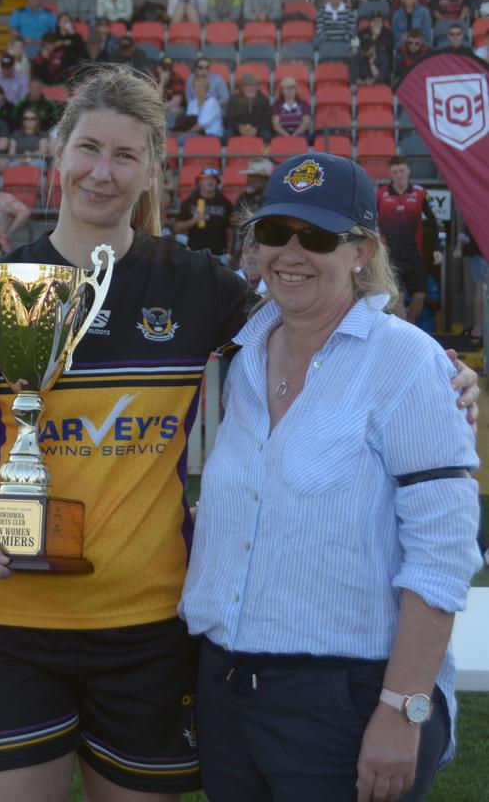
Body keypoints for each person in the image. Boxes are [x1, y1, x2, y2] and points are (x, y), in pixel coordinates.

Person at [0, 67, 255, 801]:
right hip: (6, 622)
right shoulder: (0, 288)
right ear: (57, 151)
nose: (102, 173)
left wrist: (434, 370)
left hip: (150, 624)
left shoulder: (195, 285)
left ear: (154, 169)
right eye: (88, 148)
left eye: (126, 156)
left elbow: (318, 336)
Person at [180, 152, 482, 802]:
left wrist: (405, 709)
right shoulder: (246, 352)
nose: (291, 251)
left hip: (347, 693)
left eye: (316, 236)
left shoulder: (410, 364)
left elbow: (445, 555)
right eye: (273, 231)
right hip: (227, 689)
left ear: (361, 250)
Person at [377, 155, 443, 324]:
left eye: (402, 170)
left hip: (414, 253)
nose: (399, 174)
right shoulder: (380, 194)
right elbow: (369, 223)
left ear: (408, 171)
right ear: (390, 173)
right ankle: (404, 340)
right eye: (395, 171)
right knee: (397, 297)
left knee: (420, 296)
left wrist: (438, 247)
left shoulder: (421, 193)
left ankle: (408, 331)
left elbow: (438, 222)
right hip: (389, 254)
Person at [174, 166, 234, 260]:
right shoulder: (189, 202)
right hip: (195, 253)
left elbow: (229, 231)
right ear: (199, 182)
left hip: (219, 254)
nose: (210, 181)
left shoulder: (225, 203)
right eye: (207, 178)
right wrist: (193, 220)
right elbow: (177, 228)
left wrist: (229, 254)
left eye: (214, 179)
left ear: (217, 183)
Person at [452, 224, 487, 345]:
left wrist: (458, 247)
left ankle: (478, 328)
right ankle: (479, 328)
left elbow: (466, 230)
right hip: (480, 250)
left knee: (480, 288)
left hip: (478, 250)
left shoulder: (477, 205)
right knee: (482, 290)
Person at [224, 73, 273, 143]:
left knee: (267, 136)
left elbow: (267, 120)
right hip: (238, 128)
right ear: (242, 87)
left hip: (258, 128)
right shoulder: (234, 99)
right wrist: (239, 127)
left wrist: (257, 129)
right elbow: (228, 119)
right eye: (248, 85)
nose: (251, 88)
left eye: (253, 85)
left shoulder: (263, 99)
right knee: (226, 136)